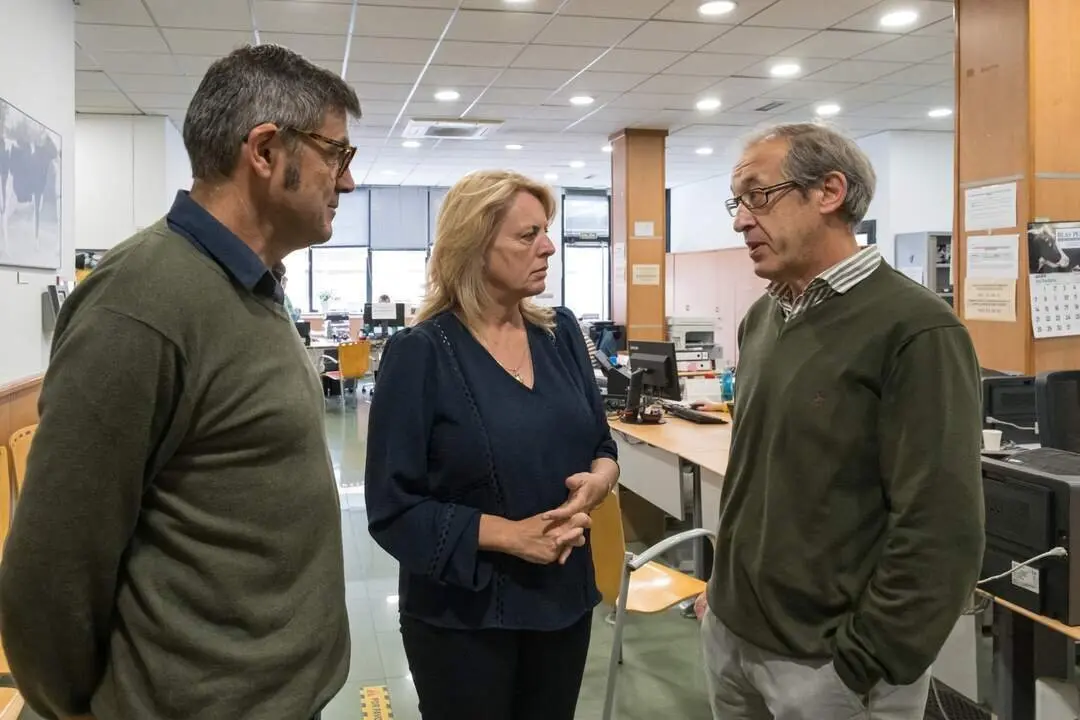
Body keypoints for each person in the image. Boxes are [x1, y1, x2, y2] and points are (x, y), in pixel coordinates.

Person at [0, 44, 362, 720]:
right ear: (263, 151)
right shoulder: (141, 301)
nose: (345, 181)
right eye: (335, 154)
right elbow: (50, 570)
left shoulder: (252, 284)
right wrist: (80, 708)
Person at [695, 122, 985, 719]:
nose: (740, 219)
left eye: (758, 195)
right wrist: (723, 600)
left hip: (833, 668)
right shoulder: (763, 319)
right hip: (733, 635)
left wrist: (866, 658)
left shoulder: (916, 329)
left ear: (828, 192)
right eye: (737, 201)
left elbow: (941, 525)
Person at [364, 170, 619, 720]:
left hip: (564, 600)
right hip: (465, 617)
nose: (548, 246)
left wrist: (600, 478)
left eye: (546, 231)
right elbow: (392, 509)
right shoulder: (421, 354)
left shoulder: (562, 333)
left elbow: (600, 440)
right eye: (528, 236)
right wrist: (511, 537)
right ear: (474, 247)